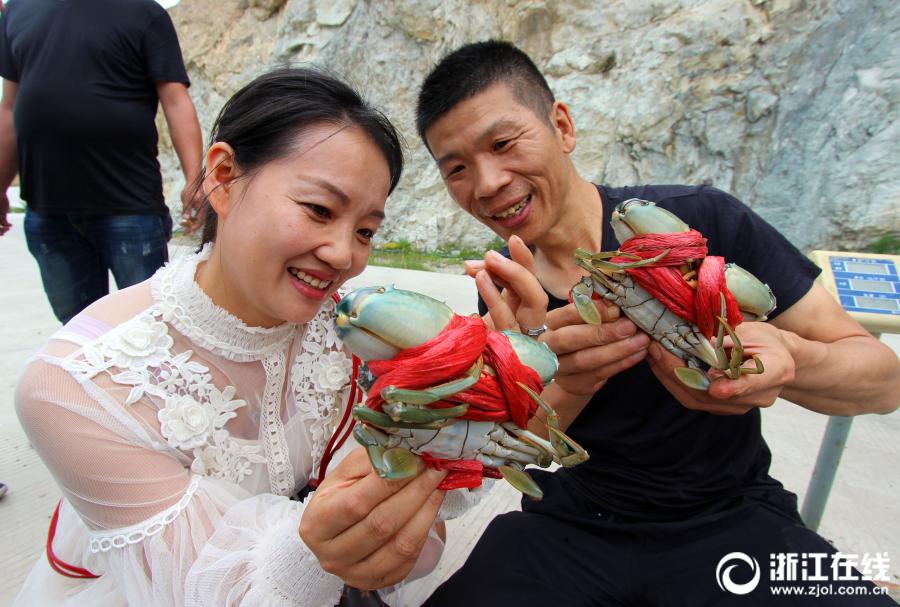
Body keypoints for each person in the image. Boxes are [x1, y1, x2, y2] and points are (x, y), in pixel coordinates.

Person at [417, 40, 900, 605]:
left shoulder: (697, 225)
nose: (488, 182)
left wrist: (791, 361)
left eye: (503, 143)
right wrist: (555, 379)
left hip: (732, 521)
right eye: (457, 169)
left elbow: (884, 379)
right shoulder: (504, 291)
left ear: (563, 127)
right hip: (571, 528)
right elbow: (515, 453)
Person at [13, 68, 494, 607]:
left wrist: (490, 382)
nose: (343, 255)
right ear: (222, 177)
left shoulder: (359, 330)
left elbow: (414, 534)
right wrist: (324, 547)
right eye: (318, 209)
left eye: (365, 231)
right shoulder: (75, 384)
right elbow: (216, 589)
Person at [0, 0, 205, 324]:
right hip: (49, 212)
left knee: (149, 327)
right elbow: (9, 109)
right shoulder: (17, 10)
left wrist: (196, 180)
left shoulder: (144, 14)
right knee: (79, 330)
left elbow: (177, 103)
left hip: (129, 207)